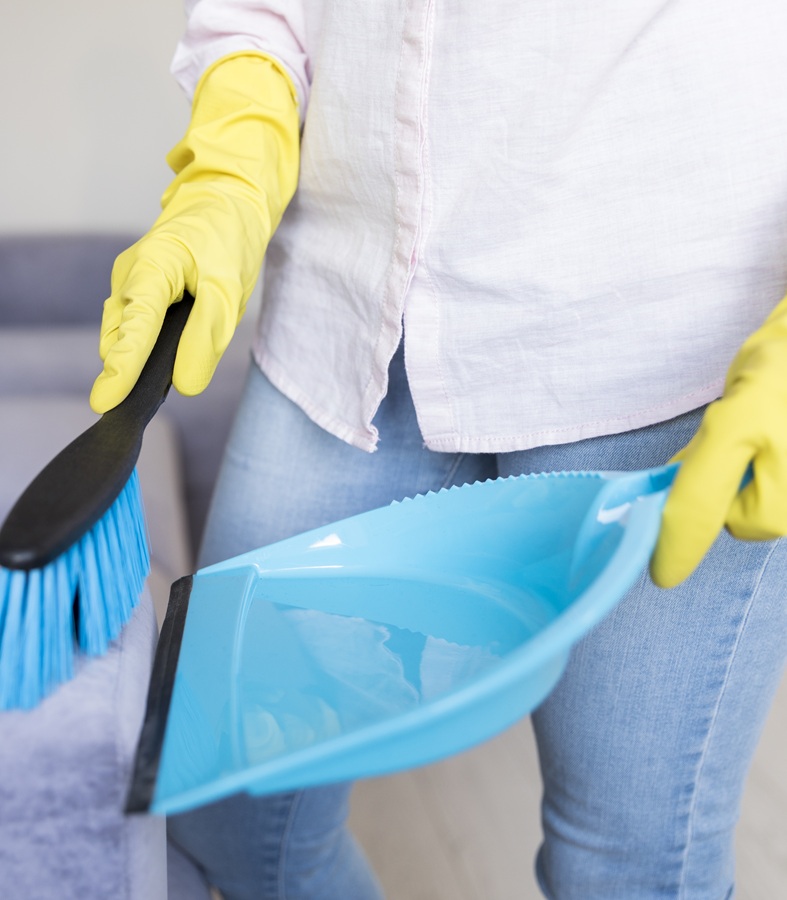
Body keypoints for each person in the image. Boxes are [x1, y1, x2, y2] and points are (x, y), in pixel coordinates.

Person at [91, 2, 787, 897]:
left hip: (666, 350)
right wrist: (225, 176)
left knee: (623, 866)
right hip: (345, 332)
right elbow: (265, 15)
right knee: (220, 805)